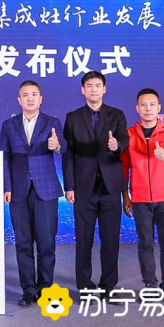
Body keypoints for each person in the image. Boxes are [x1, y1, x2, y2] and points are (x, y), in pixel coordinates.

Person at [62, 71, 128, 304]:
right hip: (83, 188)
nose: (93, 89)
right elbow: (68, 154)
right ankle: (85, 288)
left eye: (97, 85)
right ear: (83, 90)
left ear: (104, 89)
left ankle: (108, 286)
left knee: (110, 240)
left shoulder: (117, 114)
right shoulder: (72, 117)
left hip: (110, 188)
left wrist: (116, 144)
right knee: (84, 241)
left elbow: (124, 140)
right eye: (89, 86)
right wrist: (69, 185)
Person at [0, 80, 66, 306]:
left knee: (46, 242)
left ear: (41, 98)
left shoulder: (52, 122)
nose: (30, 98)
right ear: (19, 100)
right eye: (25, 95)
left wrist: (57, 146)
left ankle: (45, 288)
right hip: (18, 190)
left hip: (45, 189)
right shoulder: (8, 125)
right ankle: (28, 290)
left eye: (34, 94)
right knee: (23, 242)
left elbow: (64, 147)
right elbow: (4, 158)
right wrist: (6, 186)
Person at [120, 88, 164, 297]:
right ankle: (149, 285)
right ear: (137, 108)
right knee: (145, 244)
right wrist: (126, 196)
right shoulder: (129, 135)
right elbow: (124, 167)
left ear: (159, 108)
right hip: (140, 200)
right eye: (143, 105)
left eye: (152, 104)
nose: (148, 108)